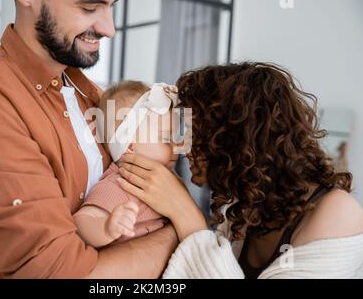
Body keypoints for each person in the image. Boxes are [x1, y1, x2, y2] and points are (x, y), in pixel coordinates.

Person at [0, 0, 177, 279]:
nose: (109, 29)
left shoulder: (92, 95)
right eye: (90, 7)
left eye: (111, 6)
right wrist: (181, 231)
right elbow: (60, 275)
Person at [118, 62, 363, 278]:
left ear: (234, 138)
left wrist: (185, 213)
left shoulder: (338, 213)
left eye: (194, 130)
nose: (182, 145)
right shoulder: (247, 206)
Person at [74, 81, 178, 247]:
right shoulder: (121, 183)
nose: (176, 146)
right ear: (130, 145)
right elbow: (82, 221)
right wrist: (106, 228)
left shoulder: (170, 179)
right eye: (166, 138)